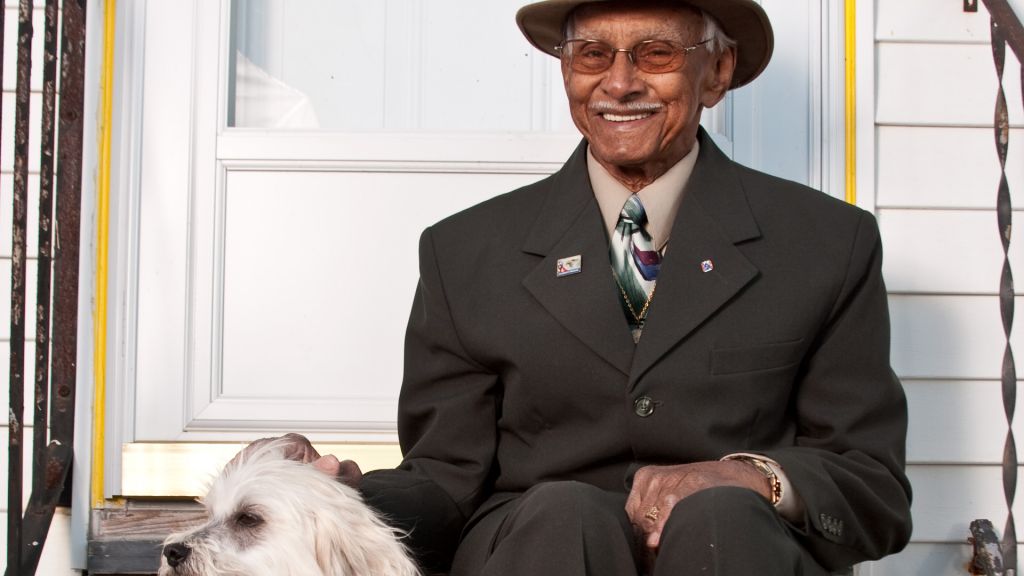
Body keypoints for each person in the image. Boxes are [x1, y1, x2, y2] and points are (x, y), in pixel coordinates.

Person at [267, 1, 913, 574]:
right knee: (564, 513)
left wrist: (750, 478)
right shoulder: (462, 253)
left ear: (716, 72)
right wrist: (337, 496)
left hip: (738, 551)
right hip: (540, 549)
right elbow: (444, 480)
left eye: (655, 52)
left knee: (722, 520)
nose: (621, 81)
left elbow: (872, 487)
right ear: (565, 69)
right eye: (592, 54)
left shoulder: (829, 244)